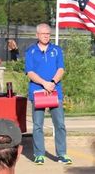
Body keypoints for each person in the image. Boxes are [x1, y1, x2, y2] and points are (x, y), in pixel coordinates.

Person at [24, 23, 72, 165]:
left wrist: (52, 82)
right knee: (38, 125)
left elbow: (61, 69)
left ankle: (62, 154)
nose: (46, 36)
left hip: (55, 91)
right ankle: (39, 154)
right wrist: (44, 84)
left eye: (48, 34)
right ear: (37, 35)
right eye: (43, 33)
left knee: (60, 124)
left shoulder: (56, 50)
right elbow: (30, 72)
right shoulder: (30, 51)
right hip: (38, 91)